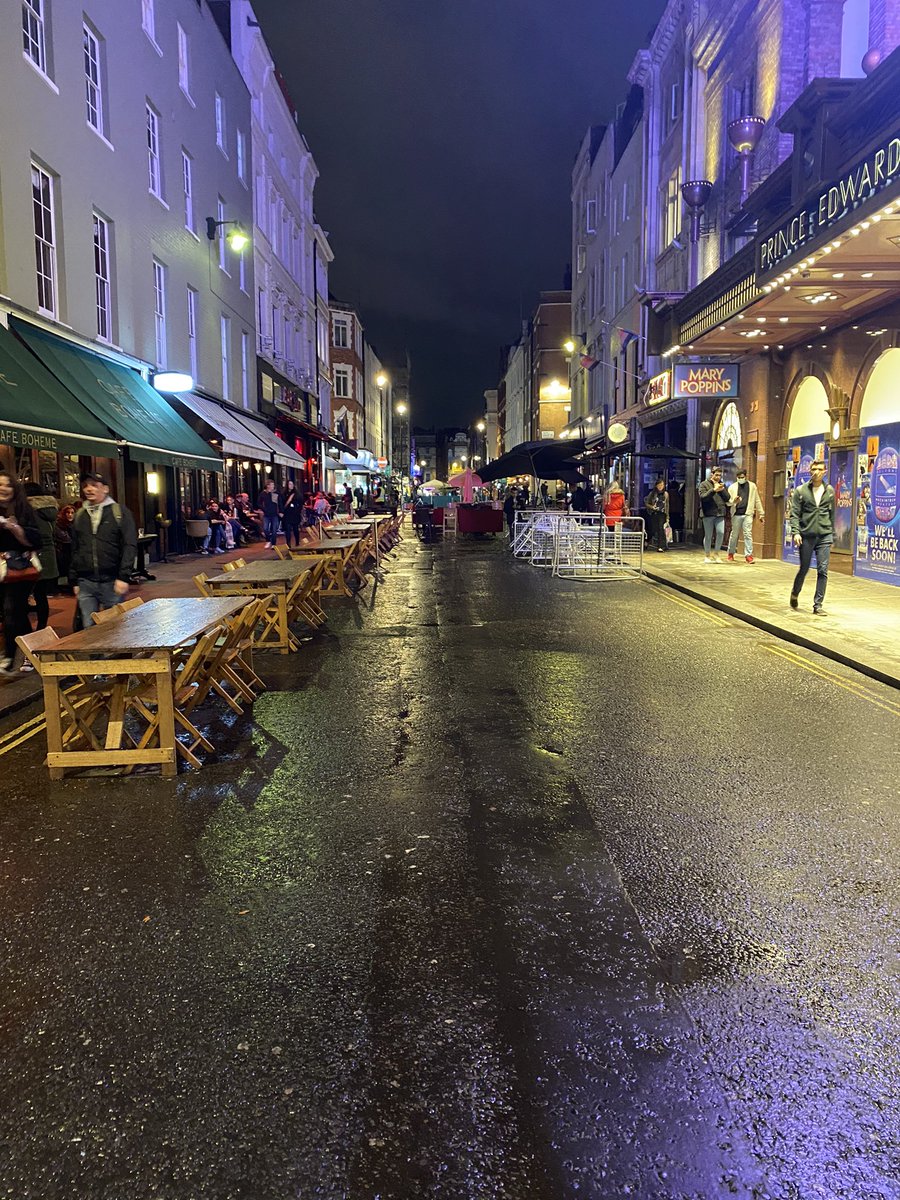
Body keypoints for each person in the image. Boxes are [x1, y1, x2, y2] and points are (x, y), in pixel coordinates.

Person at [69, 471, 137, 629]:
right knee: (89, 629)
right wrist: (74, 579)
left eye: (94, 485)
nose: (89, 489)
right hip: (86, 581)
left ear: (105, 489)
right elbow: (75, 548)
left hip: (112, 581)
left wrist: (124, 577)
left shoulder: (119, 512)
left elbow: (129, 545)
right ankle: (93, 655)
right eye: (85, 486)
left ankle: (116, 655)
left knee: (114, 627)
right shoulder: (80, 515)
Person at [0, 470, 42, 672]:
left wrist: (16, 530)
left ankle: (8, 657)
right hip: (0, 569)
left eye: (7, 484)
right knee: (17, 613)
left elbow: (37, 540)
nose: (3, 488)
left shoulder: (25, 510)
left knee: (11, 609)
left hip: (20, 569)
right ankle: (31, 651)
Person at [789, 458, 836, 615]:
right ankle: (795, 593)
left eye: (819, 469)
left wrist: (832, 535)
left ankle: (818, 605)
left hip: (824, 535)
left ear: (825, 472)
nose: (816, 472)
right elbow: (794, 514)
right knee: (804, 568)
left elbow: (832, 514)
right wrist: (796, 532)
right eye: (813, 469)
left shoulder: (829, 491)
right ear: (810, 471)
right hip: (806, 535)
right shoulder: (801, 491)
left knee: (823, 570)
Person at [23, 482, 59, 629]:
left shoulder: (30, 511)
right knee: (41, 596)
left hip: (34, 557)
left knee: (22, 596)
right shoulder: (50, 510)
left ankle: (29, 631)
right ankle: (42, 628)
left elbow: (31, 536)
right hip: (49, 557)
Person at [726, 469, 765, 563]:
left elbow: (757, 499)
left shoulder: (752, 486)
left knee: (748, 534)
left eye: (742, 477)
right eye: (739, 477)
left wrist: (761, 513)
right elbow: (727, 503)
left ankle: (748, 555)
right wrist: (733, 502)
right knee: (734, 534)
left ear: (746, 476)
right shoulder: (732, 487)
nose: (740, 479)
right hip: (736, 514)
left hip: (748, 513)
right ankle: (731, 553)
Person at [698, 466, 729, 562]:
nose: (718, 477)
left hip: (720, 513)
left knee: (721, 532)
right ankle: (707, 555)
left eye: (720, 475)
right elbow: (703, 497)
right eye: (716, 475)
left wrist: (721, 489)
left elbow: (727, 498)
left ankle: (716, 554)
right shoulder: (704, 484)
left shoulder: (721, 485)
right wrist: (713, 490)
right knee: (708, 535)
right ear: (712, 474)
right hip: (708, 513)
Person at [644, 478, 669, 552]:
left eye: (662, 485)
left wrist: (668, 516)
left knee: (661, 528)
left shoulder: (666, 494)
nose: (661, 486)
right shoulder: (652, 493)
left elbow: (667, 505)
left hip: (662, 513)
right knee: (653, 529)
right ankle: (647, 542)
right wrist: (652, 507)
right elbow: (647, 503)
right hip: (654, 513)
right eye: (659, 485)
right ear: (656, 486)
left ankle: (661, 546)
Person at [54, 503, 75, 587]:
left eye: (72, 513)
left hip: (71, 550)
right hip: (62, 551)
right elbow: (66, 539)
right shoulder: (59, 525)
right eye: (68, 512)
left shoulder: (75, 524)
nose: (70, 515)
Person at [259, 479, 282, 548]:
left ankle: (273, 544)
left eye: (273, 485)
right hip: (266, 514)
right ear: (267, 485)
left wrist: (281, 511)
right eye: (271, 485)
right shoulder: (263, 494)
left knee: (274, 529)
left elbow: (279, 503)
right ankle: (268, 540)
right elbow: (258, 503)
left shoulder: (275, 493)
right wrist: (264, 509)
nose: (273, 486)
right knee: (265, 528)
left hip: (274, 514)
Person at [282, 479, 303, 546]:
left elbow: (300, 503)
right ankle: (288, 544)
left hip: (295, 513)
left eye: (292, 484)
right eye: (289, 484)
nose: (291, 486)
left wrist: (298, 511)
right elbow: (282, 503)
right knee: (287, 530)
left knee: (295, 529)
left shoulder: (297, 494)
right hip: (287, 513)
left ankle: (297, 542)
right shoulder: (284, 494)